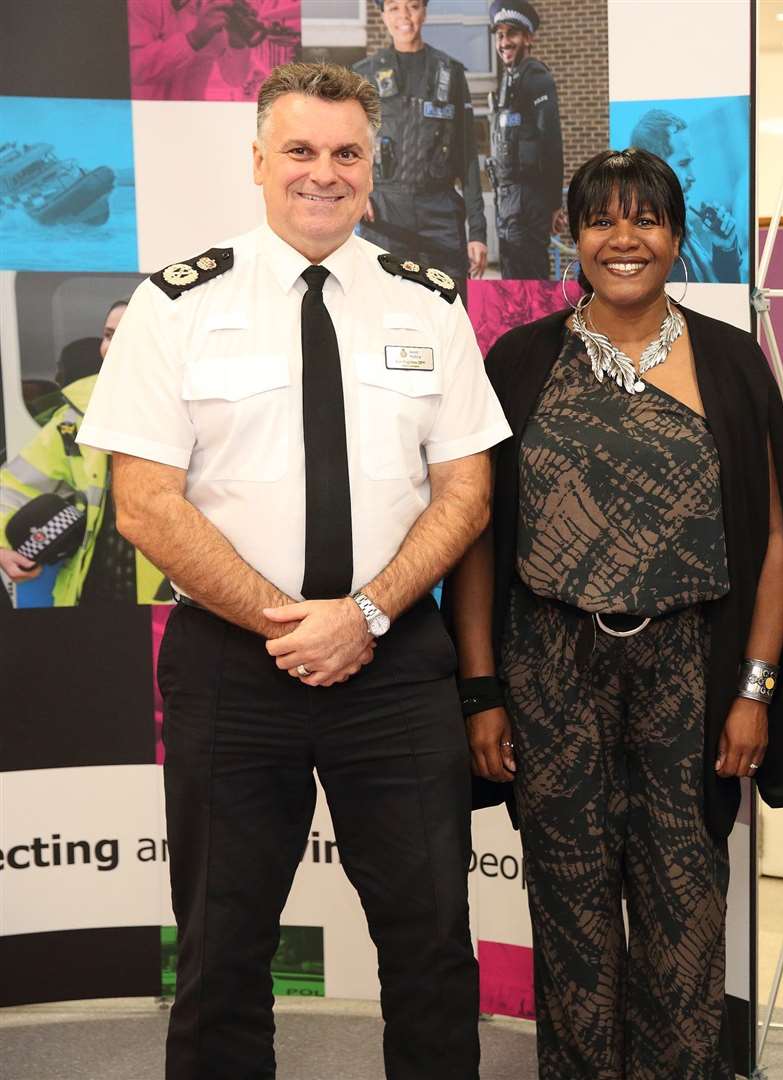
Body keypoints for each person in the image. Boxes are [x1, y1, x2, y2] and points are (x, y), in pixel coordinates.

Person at [75, 62, 510, 1079]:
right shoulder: (175, 305)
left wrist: (363, 613)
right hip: (232, 669)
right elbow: (144, 505)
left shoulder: (429, 305)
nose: (325, 173)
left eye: (347, 154)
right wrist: (294, 621)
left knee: (432, 949)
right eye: (302, 152)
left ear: (374, 167)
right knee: (223, 955)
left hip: (396, 669)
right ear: (258, 162)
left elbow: (467, 496)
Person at [447, 148, 783, 1079]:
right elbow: (474, 543)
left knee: (686, 926)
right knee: (572, 927)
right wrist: (479, 692)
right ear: (571, 236)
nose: (623, 240)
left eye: (646, 220)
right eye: (601, 220)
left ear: (676, 235)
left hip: (691, 675)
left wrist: (753, 690)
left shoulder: (733, 361)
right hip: (548, 671)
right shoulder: (520, 360)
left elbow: (778, 545)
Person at [0, 301, 143, 606]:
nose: (112, 346)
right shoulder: (76, 415)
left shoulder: (199, 409)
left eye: (128, 334)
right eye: (108, 335)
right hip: (95, 593)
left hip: (176, 597)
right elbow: (14, 485)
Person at [355, 0, 488, 292]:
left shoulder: (450, 73)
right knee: (384, 310)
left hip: (439, 213)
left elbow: (467, 156)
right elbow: (347, 143)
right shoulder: (364, 76)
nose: (404, 16)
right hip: (385, 213)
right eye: (393, 8)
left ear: (424, 11)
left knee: (447, 309)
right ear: (383, 16)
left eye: (412, 6)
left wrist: (477, 231)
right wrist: (357, 191)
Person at [487, 0, 564, 280]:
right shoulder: (509, 80)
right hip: (508, 199)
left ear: (529, 38)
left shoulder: (536, 77)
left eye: (513, 33)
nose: (505, 41)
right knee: (511, 279)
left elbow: (552, 144)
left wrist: (555, 203)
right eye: (500, 34)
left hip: (529, 199)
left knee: (530, 281)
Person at [629, 110, 744, 284]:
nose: (692, 176)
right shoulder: (647, 243)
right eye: (683, 164)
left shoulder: (679, 227)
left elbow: (716, 293)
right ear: (653, 170)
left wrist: (724, 247)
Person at [130, 0, 254, 101]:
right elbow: (137, 69)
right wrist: (195, 38)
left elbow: (235, 79)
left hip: (192, 117)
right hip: (148, 116)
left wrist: (237, 43)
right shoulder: (142, 4)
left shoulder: (215, 7)